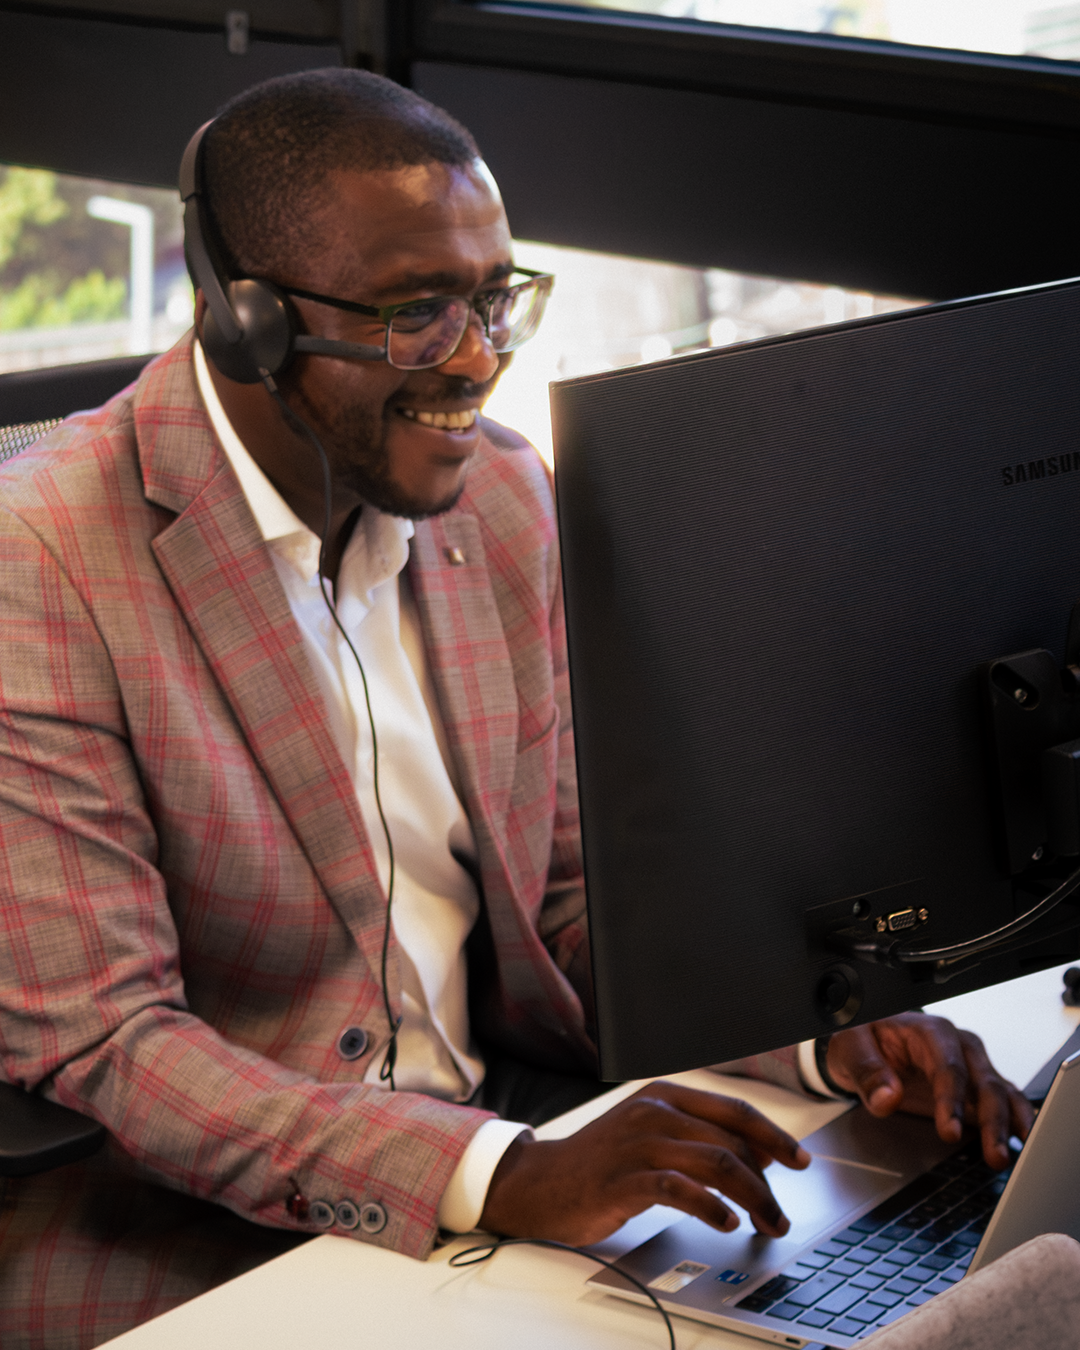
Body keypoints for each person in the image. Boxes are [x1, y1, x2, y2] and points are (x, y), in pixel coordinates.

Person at [0, 69, 1032, 1349]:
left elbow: (566, 901)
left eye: (496, 297)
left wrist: (826, 1038)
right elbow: (108, 1042)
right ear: (250, 321)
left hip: (507, 1167)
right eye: (417, 314)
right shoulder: (39, 565)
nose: (479, 356)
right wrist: (497, 1173)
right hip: (184, 1239)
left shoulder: (495, 498)